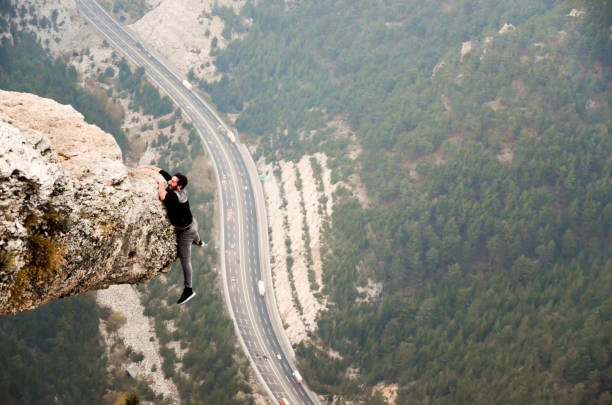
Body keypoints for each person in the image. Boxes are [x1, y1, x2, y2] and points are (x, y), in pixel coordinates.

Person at [138, 165, 203, 304]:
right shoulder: (178, 187)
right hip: (192, 222)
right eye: (171, 180)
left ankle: (189, 289)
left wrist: (160, 183)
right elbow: (161, 171)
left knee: (185, 261)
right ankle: (199, 242)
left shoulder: (175, 195)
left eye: (173, 182)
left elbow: (163, 196)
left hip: (186, 232)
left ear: (179, 187)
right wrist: (145, 167)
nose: (170, 182)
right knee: (195, 234)